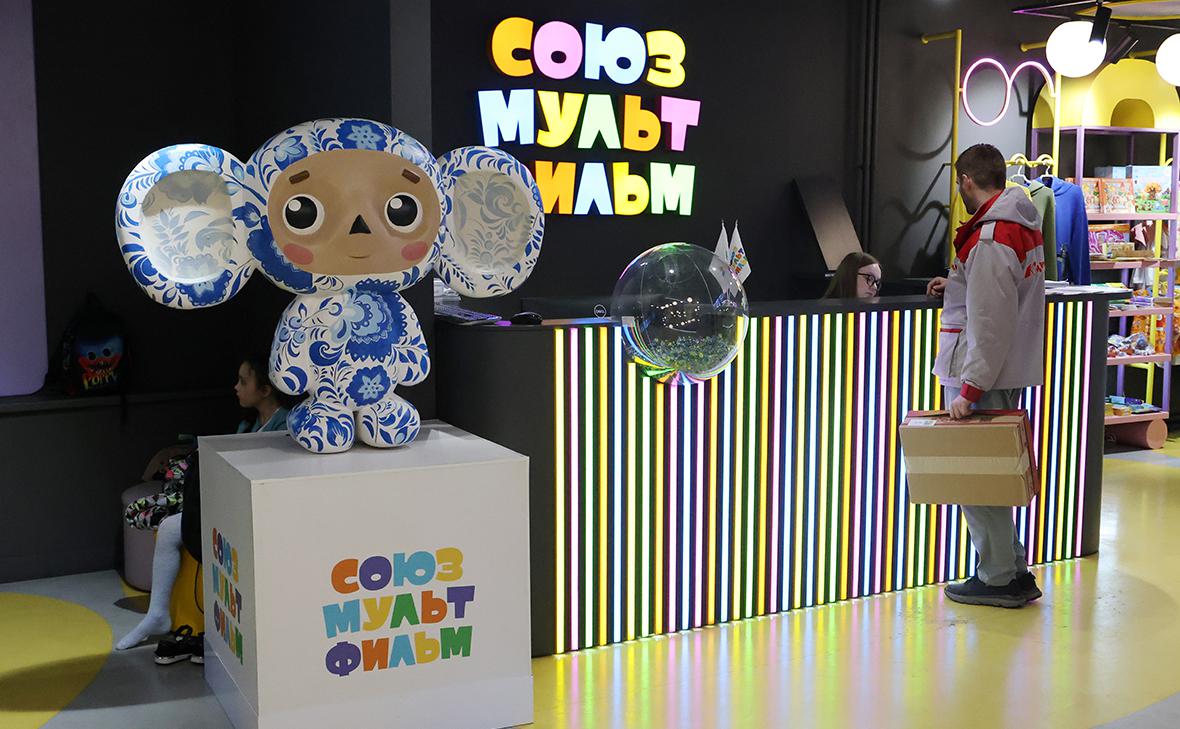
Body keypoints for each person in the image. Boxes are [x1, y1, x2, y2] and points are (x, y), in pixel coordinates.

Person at [926, 143, 1046, 608]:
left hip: (983, 374)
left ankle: (997, 577)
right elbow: (997, 297)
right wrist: (958, 284)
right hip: (1002, 370)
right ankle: (1011, 569)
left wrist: (969, 390)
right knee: (993, 477)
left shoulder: (991, 238)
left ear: (967, 181)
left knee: (979, 481)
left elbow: (990, 322)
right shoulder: (1018, 224)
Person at [116, 353, 291, 655]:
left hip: (256, 516)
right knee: (170, 527)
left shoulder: (284, 425)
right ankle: (157, 613)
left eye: (243, 382)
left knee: (177, 525)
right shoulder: (247, 426)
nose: (236, 387)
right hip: (230, 507)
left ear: (265, 389)